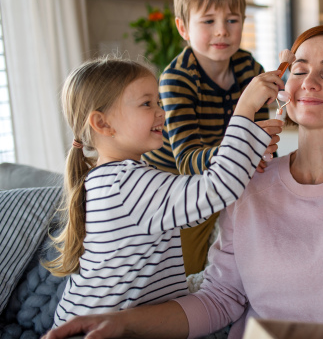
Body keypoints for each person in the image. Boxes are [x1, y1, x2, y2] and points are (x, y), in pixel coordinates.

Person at [43, 25, 323, 339]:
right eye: (298, 69)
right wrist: (124, 323)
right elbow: (221, 299)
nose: (309, 81)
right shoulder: (251, 182)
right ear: (285, 86)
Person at [45, 57, 284, 327]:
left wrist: (247, 147)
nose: (161, 112)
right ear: (103, 124)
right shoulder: (126, 183)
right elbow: (217, 188)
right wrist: (245, 108)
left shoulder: (112, 179)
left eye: (158, 102)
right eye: (147, 104)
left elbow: (191, 210)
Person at [141, 0, 275, 275]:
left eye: (232, 20)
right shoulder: (176, 79)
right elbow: (187, 160)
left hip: (228, 170)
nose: (222, 31)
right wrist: (242, 153)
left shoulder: (249, 68)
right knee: (185, 265)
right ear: (183, 28)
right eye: (208, 21)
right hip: (177, 182)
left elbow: (262, 139)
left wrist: (263, 157)